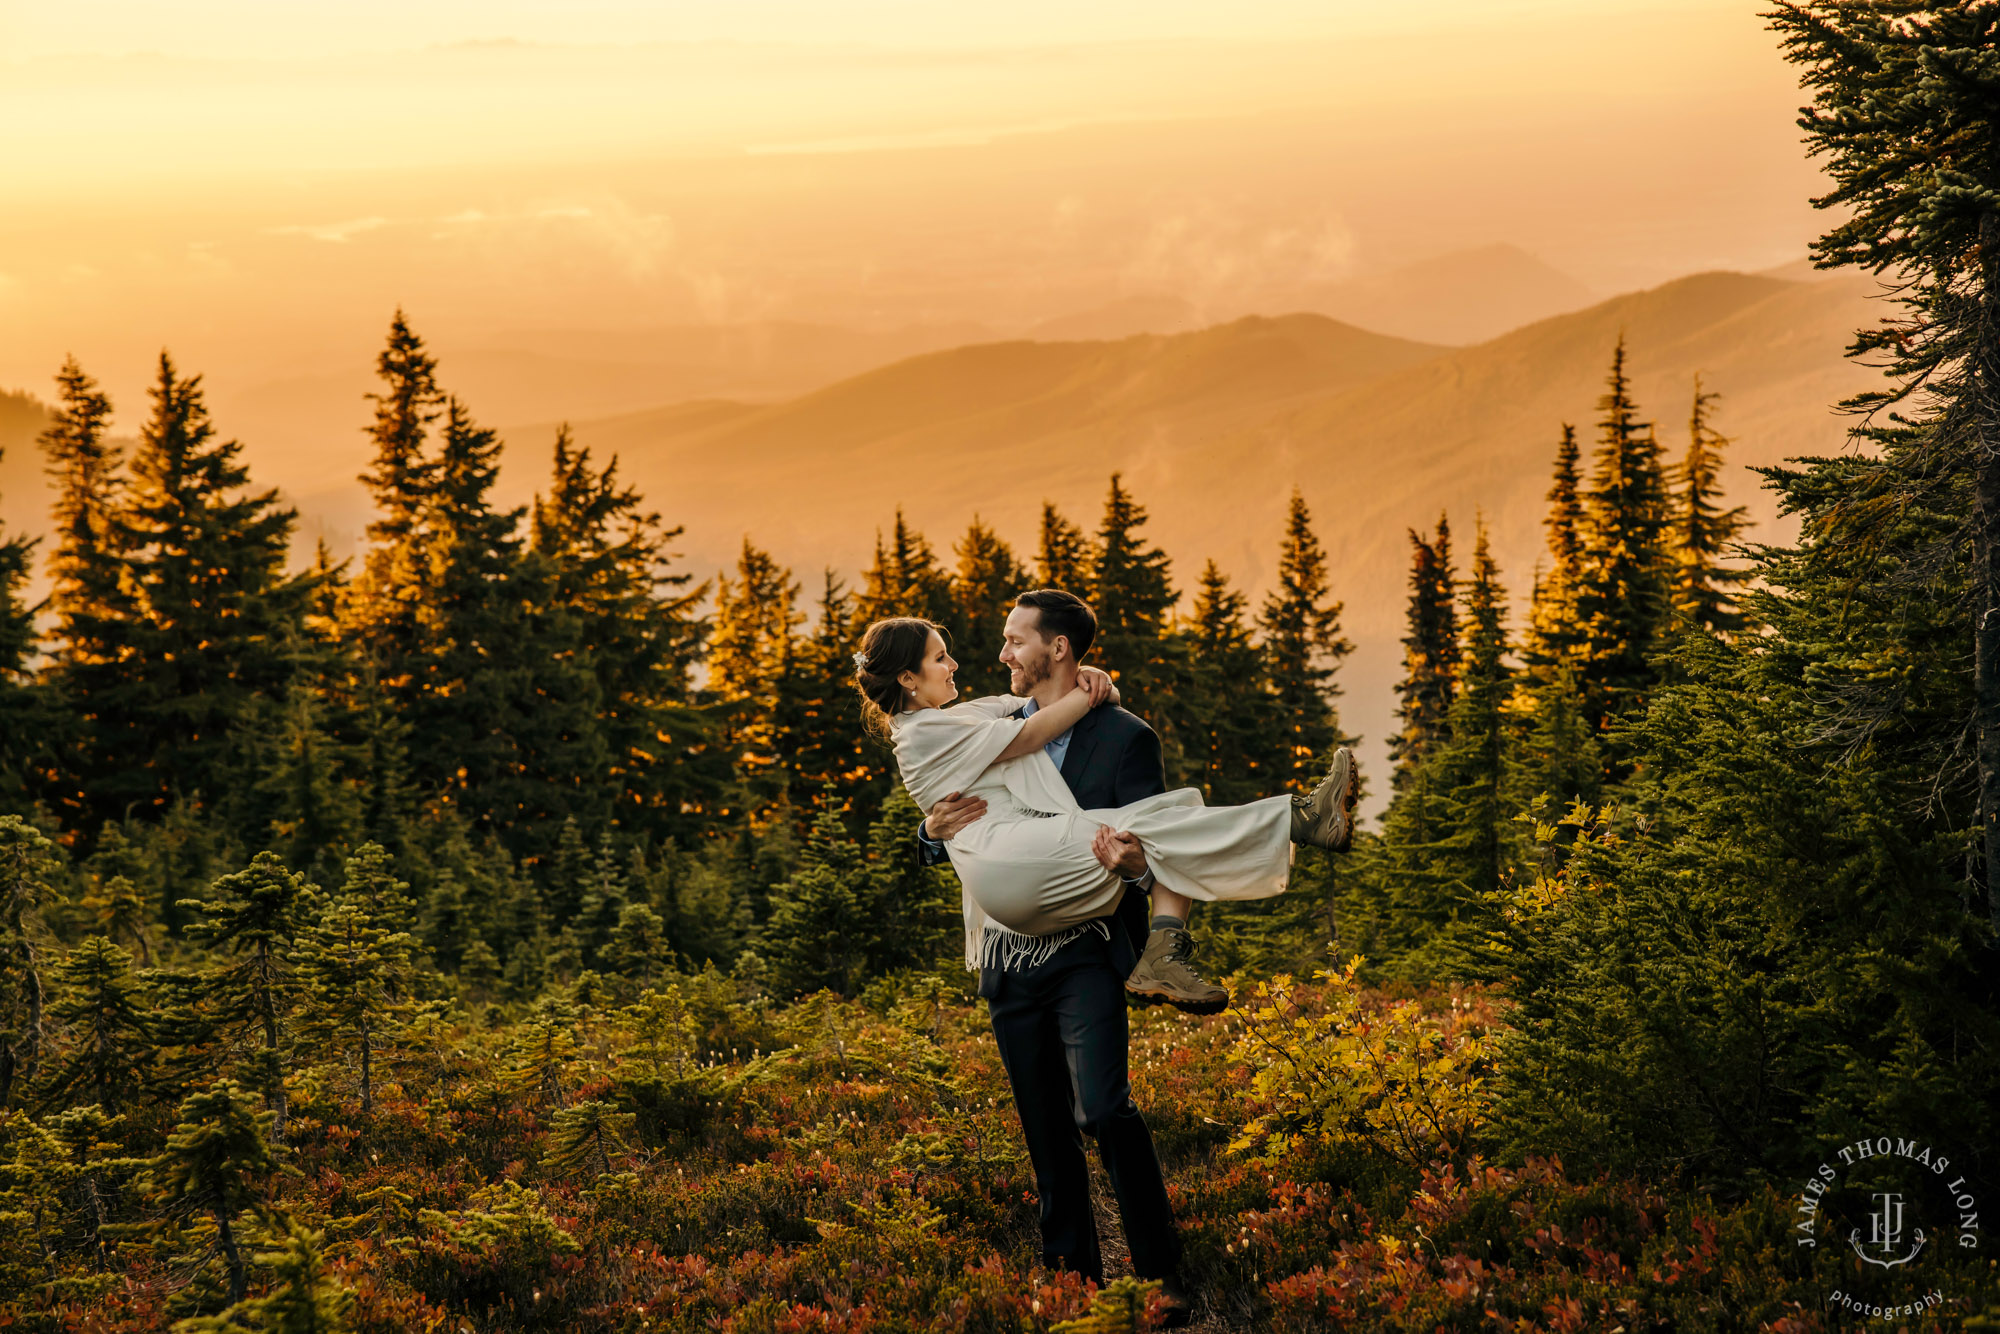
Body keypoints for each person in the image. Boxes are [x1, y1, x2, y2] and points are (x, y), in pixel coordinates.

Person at [871, 590, 1356, 1325]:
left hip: (1086, 951)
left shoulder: (1123, 737)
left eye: (1013, 640)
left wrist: (1132, 871)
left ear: (1057, 649)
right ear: (909, 677)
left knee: (1107, 1112)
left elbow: (1149, 844)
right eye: (957, 651)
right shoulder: (977, 722)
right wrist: (933, 833)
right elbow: (955, 810)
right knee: (1045, 1131)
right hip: (1009, 955)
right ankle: (1075, 1289)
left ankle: (1161, 1276)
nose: (994, 654)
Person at [858, 613, 1355, 1008]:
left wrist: (1092, 682)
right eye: (940, 658)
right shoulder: (925, 733)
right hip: (1004, 863)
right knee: (1153, 826)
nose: (955, 665)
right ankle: (1302, 819)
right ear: (907, 676)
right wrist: (1088, 690)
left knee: (1158, 823)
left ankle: (1165, 946)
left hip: (1011, 864)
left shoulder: (952, 718)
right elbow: (1032, 731)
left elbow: (1023, 706)